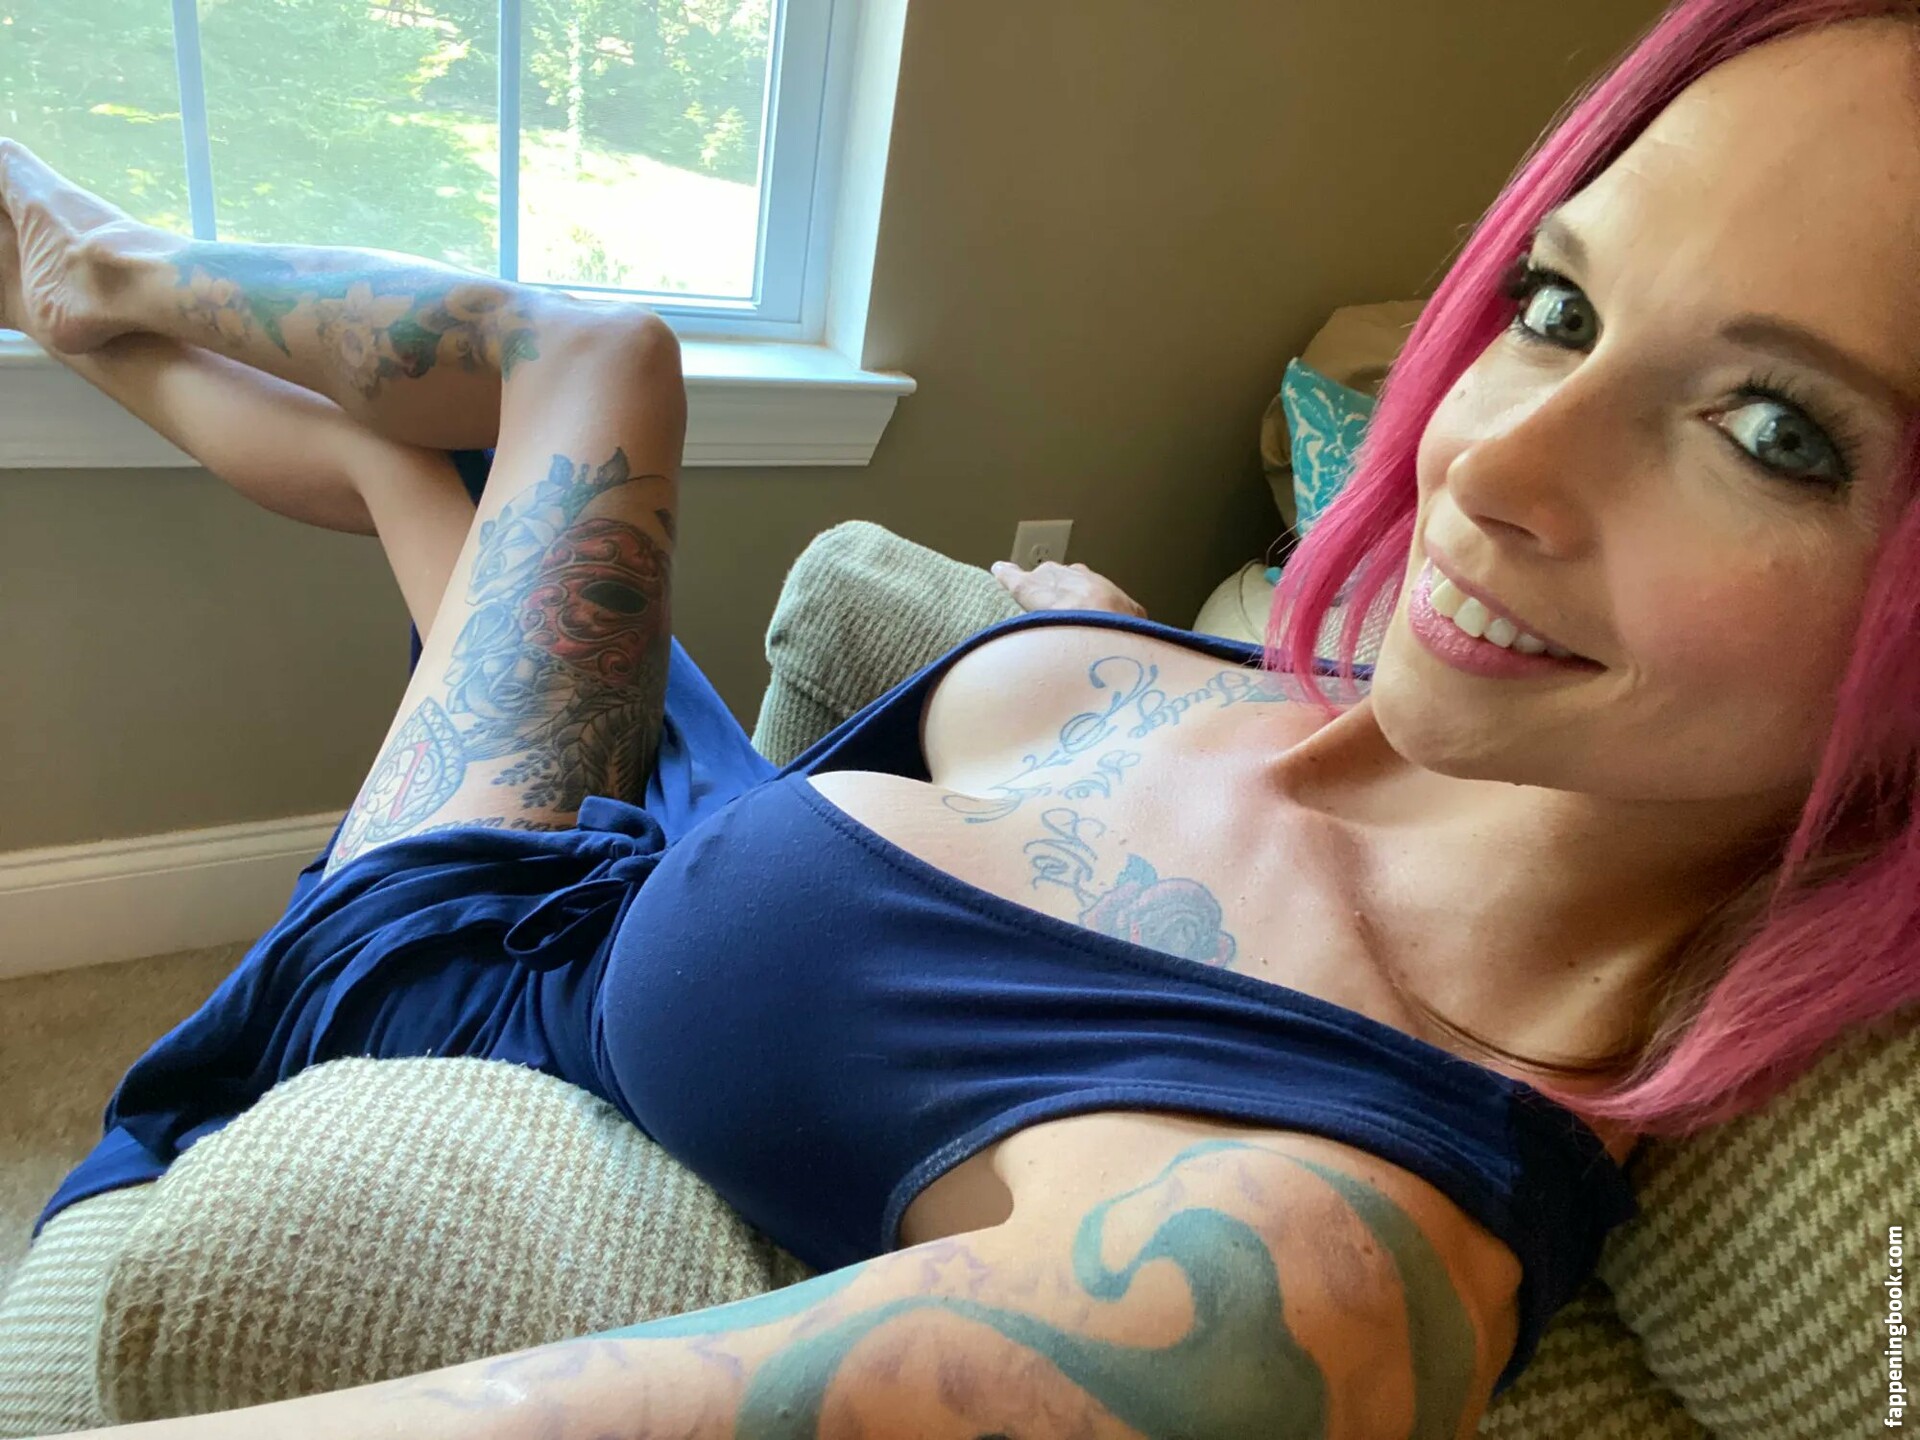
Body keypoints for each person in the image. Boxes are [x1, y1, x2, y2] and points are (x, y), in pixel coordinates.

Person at [5, 0, 1919, 1430]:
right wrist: (1097, 642)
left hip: (446, 968)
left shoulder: (1305, 1260)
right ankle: (63, 277)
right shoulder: (1436, 712)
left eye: (1776, 432)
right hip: (660, 838)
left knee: (576, 370)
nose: (1489, 464)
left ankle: (75, 260)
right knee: (424, 470)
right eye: (1559, 308)